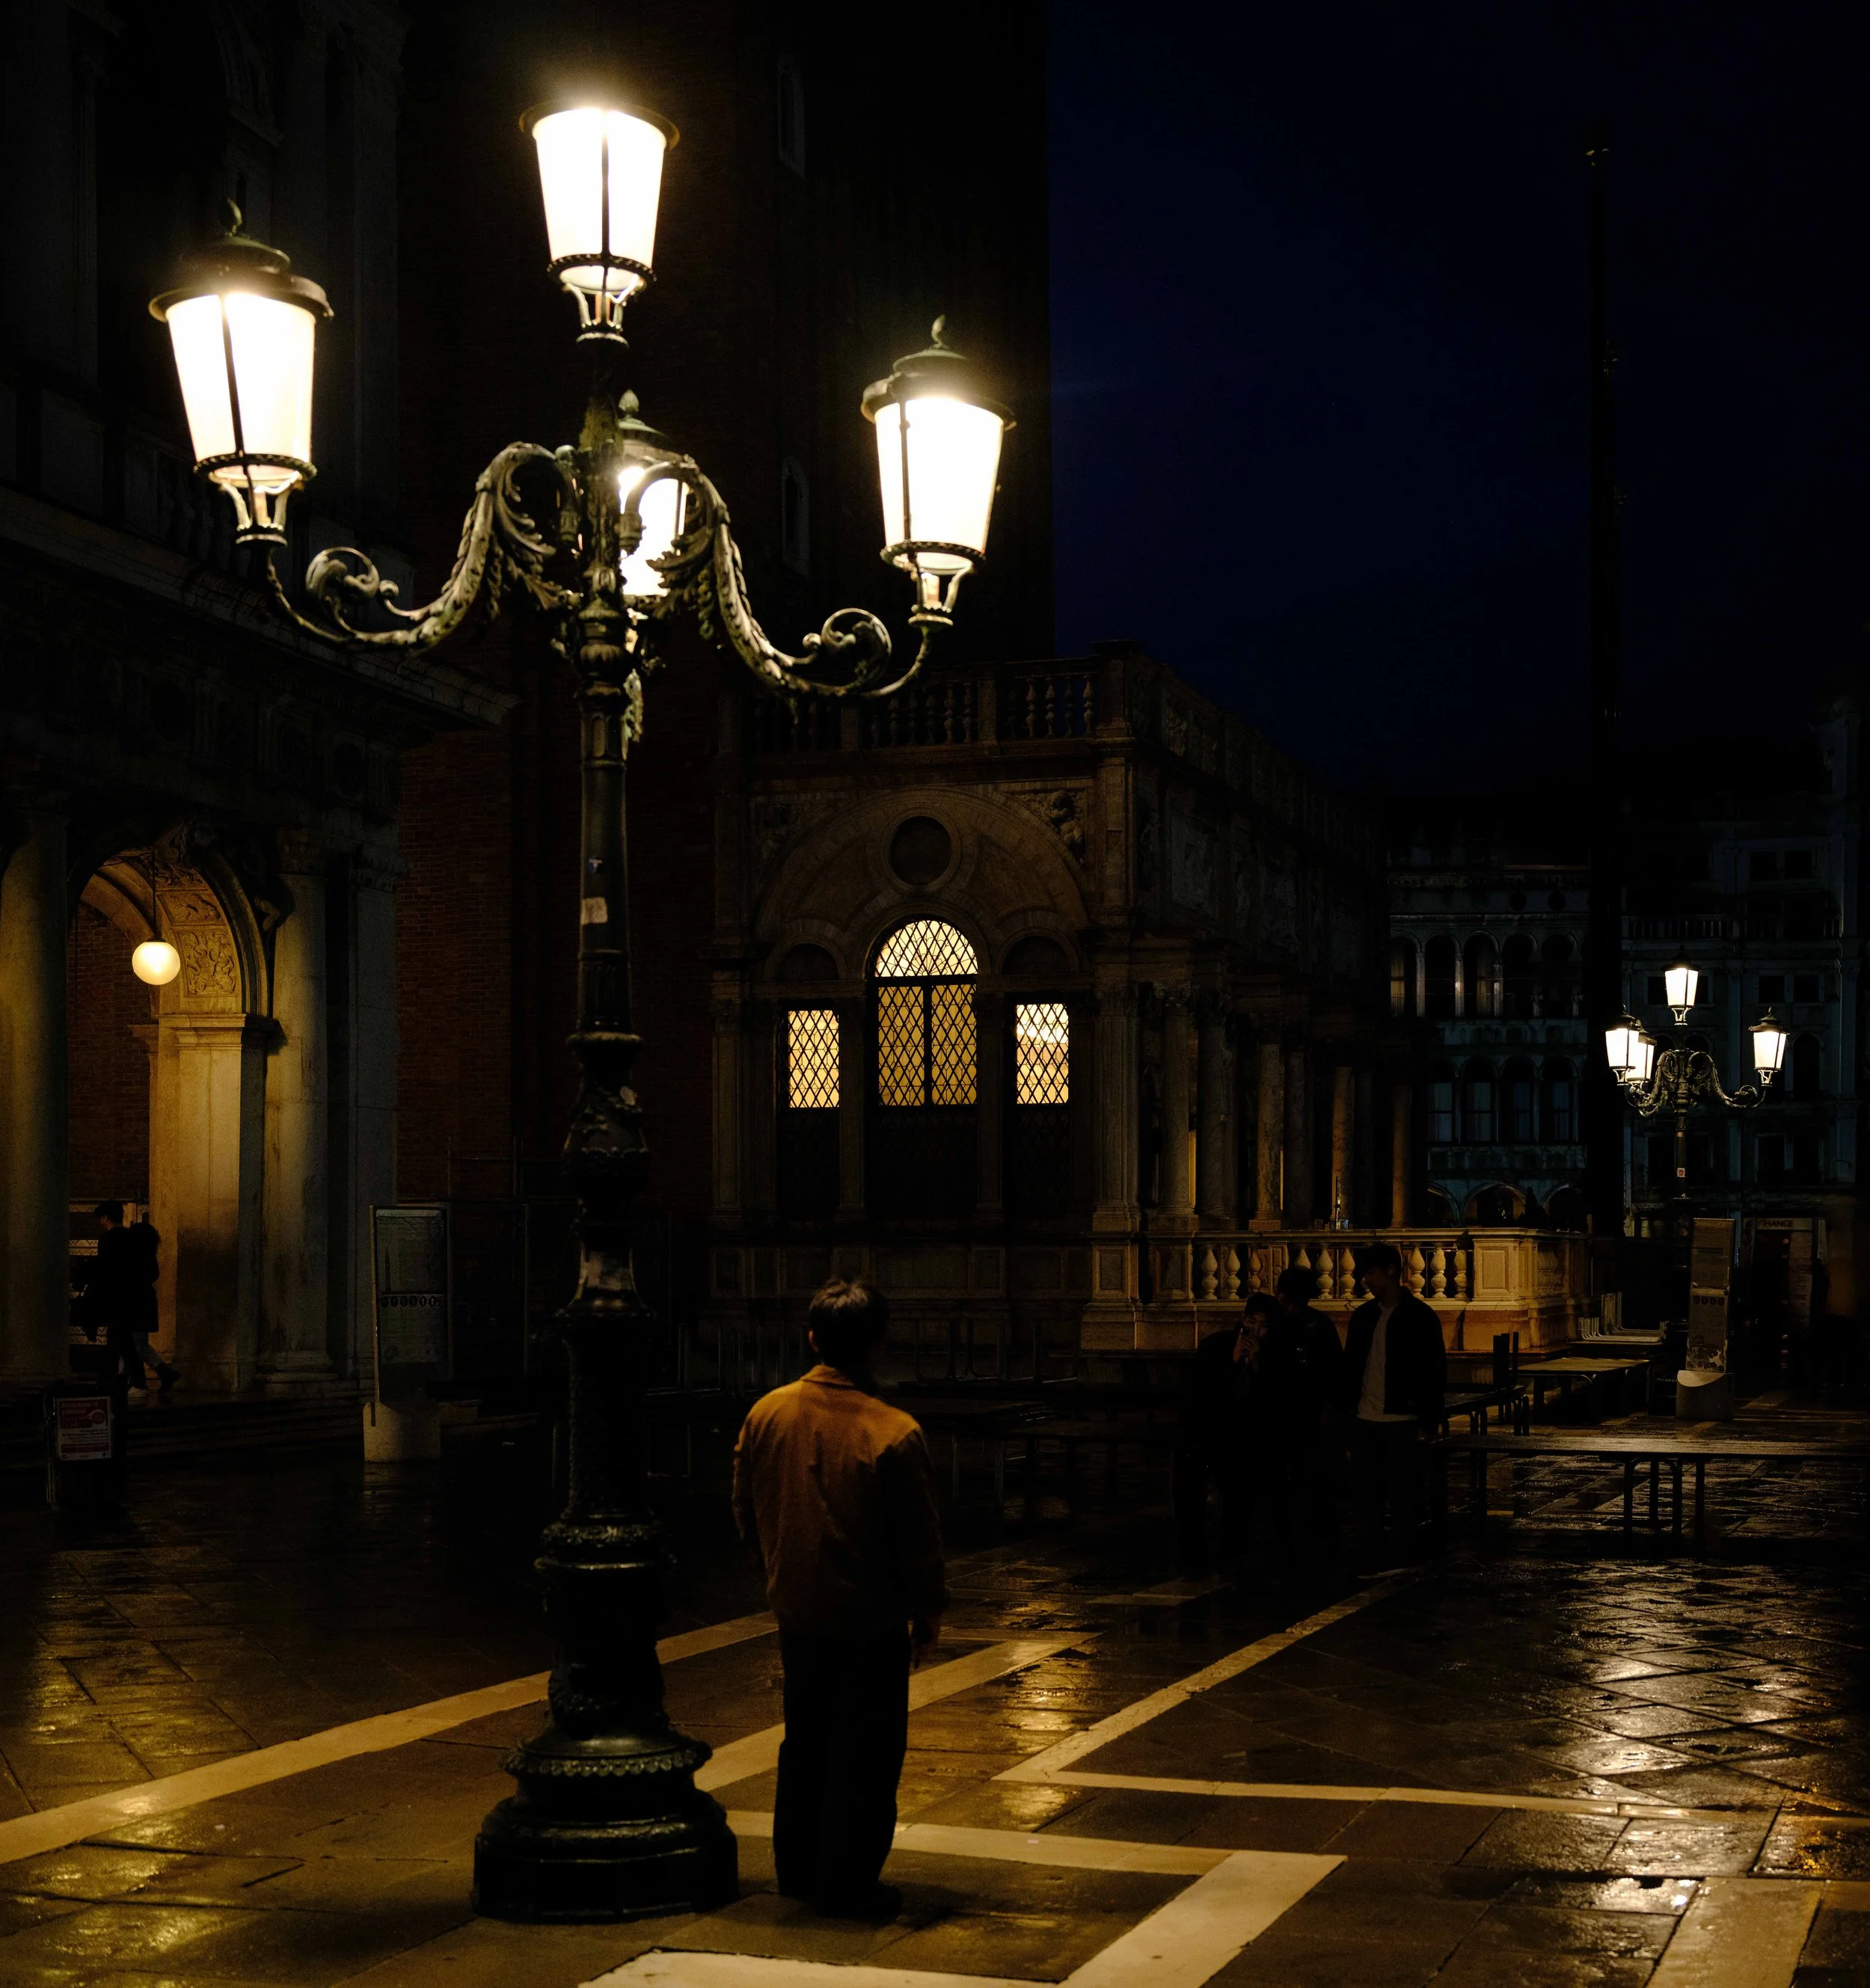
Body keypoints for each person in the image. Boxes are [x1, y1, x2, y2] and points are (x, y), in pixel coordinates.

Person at [732, 1279, 945, 1920]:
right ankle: (848, 1880)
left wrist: (779, 1561)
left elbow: (743, 1508)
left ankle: (797, 1869)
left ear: (813, 1339)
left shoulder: (768, 1413)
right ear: (878, 1343)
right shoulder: (894, 1431)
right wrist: (927, 1614)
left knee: (804, 1743)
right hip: (870, 1617)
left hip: (796, 1606)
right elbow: (919, 1539)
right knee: (867, 1751)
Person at [1340, 1242, 1445, 1574]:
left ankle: (1402, 1552)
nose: (1365, 1281)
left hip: (1402, 1416)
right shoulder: (1365, 1317)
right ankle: (1370, 1553)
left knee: (1402, 1492)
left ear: (1389, 1271)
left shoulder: (1419, 1317)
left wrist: (1428, 1416)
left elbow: (1433, 1369)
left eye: (1370, 1273)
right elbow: (1352, 1366)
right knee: (1366, 1492)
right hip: (1366, 1417)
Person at [1173, 1297, 1262, 1565]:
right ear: (1244, 1321)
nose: (1256, 1332)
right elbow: (1204, 1391)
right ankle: (1195, 1556)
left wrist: (1256, 1365)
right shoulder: (1217, 1345)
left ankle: (1230, 1553)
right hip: (1207, 1429)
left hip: (1239, 1436)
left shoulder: (1270, 1351)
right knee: (1192, 1498)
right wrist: (1234, 1364)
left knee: (1237, 1498)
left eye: (1263, 1326)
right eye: (1252, 1323)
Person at [83, 1202, 147, 1396]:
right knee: (119, 1339)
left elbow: (104, 1268)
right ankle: (109, 1378)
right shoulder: (131, 1237)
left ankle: (135, 1380)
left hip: (113, 1296)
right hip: (130, 1296)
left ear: (105, 1218)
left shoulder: (107, 1238)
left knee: (121, 1341)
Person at [126, 1219, 179, 1393]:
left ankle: (139, 1378)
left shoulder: (136, 1260)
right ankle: (162, 1372)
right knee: (139, 1344)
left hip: (136, 1306)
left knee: (135, 1345)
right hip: (145, 1305)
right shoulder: (149, 1258)